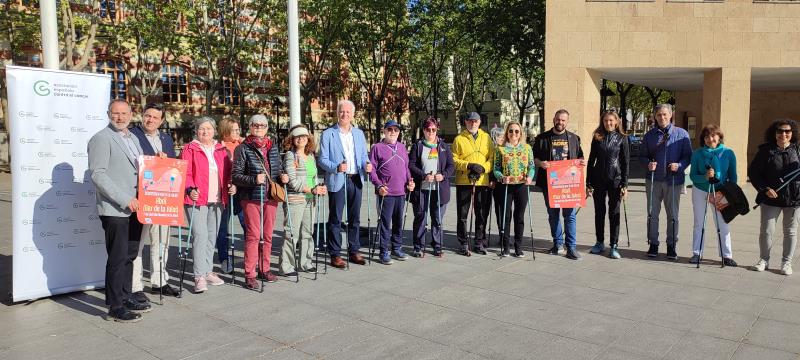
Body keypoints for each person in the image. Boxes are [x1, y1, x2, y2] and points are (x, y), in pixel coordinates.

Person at [88, 99, 150, 322]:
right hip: (116, 209)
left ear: (131, 114)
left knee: (130, 255)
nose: (120, 117)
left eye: (124, 113)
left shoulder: (133, 137)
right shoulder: (101, 139)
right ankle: (115, 306)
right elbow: (98, 174)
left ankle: (125, 297)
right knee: (117, 257)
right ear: (108, 114)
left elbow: (140, 169)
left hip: (138, 207)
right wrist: (125, 200)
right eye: (116, 113)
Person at [232, 114, 288, 290]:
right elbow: (236, 175)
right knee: (254, 235)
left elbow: (278, 168)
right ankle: (250, 273)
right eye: (255, 125)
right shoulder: (242, 148)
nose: (259, 128)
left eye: (262, 125)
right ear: (249, 127)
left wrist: (282, 176)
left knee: (268, 235)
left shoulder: (272, 147)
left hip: (270, 197)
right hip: (252, 197)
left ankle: (265, 268)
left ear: (267, 128)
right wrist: (254, 179)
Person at [129, 103, 179, 299]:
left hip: (163, 200)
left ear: (162, 121)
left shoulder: (166, 138)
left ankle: (160, 281)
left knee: (161, 242)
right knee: (138, 244)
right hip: (142, 198)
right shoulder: (132, 135)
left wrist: (165, 162)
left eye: (155, 117)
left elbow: (174, 167)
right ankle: (135, 286)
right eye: (147, 116)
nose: (150, 120)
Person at [181, 117, 236, 293]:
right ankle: (198, 276)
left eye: (209, 129)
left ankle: (207, 270)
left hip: (218, 199)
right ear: (196, 131)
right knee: (200, 235)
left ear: (214, 131)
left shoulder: (221, 149)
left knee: (211, 236)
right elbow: (186, 172)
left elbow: (228, 172)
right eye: (201, 129)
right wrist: (190, 188)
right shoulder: (190, 148)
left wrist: (231, 184)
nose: (205, 132)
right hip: (197, 199)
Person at [318, 100, 373, 268]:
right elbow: (322, 159)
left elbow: (363, 156)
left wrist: (367, 164)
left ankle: (354, 250)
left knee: (355, 218)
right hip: (338, 179)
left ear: (353, 114)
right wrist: (335, 167)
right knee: (335, 218)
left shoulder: (358, 134)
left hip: (355, 178)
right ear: (337, 113)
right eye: (342, 111)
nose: (345, 114)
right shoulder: (328, 134)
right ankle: (335, 254)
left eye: (348, 112)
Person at [638, 104, 692, 260]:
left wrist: (680, 165)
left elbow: (688, 156)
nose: (662, 117)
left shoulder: (682, 134)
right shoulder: (649, 136)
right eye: (659, 115)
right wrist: (648, 164)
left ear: (670, 115)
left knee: (673, 215)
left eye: (665, 114)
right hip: (653, 180)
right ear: (655, 116)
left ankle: (671, 245)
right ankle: (653, 243)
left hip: (673, 180)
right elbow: (642, 156)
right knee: (652, 214)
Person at [749, 119, 800, 276]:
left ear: (793, 133)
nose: (783, 134)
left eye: (787, 131)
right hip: (771, 199)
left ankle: (786, 263)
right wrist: (765, 189)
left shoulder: (798, 151)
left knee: (791, 232)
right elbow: (754, 173)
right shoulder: (766, 151)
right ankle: (764, 259)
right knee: (766, 231)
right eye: (780, 131)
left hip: (794, 199)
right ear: (774, 133)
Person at [533, 109, 586, 260]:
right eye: (558, 119)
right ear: (553, 119)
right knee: (553, 215)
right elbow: (533, 157)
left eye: (563, 120)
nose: (560, 122)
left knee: (570, 216)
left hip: (569, 184)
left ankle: (571, 247)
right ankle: (558, 244)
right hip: (549, 184)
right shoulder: (542, 138)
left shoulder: (574, 138)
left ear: (567, 122)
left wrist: (582, 162)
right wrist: (540, 163)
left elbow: (580, 156)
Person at [280, 125, 326, 276]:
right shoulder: (290, 156)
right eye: (297, 137)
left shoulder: (311, 156)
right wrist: (310, 189)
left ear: (308, 139)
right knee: (291, 234)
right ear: (292, 140)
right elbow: (292, 181)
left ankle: (305, 262)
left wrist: (319, 187)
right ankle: (286, 266)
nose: (301, 139)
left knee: (307, 232)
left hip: (310, 199)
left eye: (304, 136)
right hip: (295, 199)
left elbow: (313, 177)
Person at [688, 124, 737, 266]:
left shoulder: (728, 153)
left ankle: (726, 255)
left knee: (723, 223)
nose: (710, 139)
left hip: (720, 192)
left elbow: (733, 176)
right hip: (700, 190)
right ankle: (697, 253)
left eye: (713, 135)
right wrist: (704, 177)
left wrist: (730, 193)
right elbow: (693, 176)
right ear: (703, 139)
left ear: (719, 137)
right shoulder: (697, 154)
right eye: (707, 136)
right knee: (699, 222)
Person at [368, 120, 415, 264]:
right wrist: (379, 185)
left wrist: (410, 181)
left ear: (399, 132)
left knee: (398, 222)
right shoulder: (377, 147)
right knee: (384, 223)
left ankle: (397, 248)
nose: (393, 132)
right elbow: (372, 170)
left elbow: (406, 168)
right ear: (384, 131)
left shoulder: (401, 147)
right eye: (390, 129)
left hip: (401, 192)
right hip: (386, 193)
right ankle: (383, 252)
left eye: (396, 130)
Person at [587, 110, 630, 259]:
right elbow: (591, 161)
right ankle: (600, 242)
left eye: (611, 120)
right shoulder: (597, 137)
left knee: (614, 213)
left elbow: (625, 162)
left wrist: (625, 183)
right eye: (605, 120)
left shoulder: (622, 138)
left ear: (616, 122)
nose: (608, 123)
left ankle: (614, 245)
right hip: (599, 180)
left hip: (615, 181)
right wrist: (588, 182)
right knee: (599, 212)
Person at [409, 117, 455, 258]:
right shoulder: (418, 146)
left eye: (433, 129)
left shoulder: (443, 146)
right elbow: (411, 165)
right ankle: (418, 246)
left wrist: (444, 175)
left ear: (437, 130)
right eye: (428, 129)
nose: (431, 132)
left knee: (437, 219)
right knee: (420, 217)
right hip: (422, 188)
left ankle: (437, 245)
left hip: (439, 188)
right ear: (423, 130)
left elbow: (451, 166)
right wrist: (423, 175)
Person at [452, 112, 494, 256]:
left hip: (482, 181)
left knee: (481, 213)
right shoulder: (459, 139)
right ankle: (463, 242)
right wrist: (468, 165)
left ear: (479, 122)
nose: (473, 124)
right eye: (470, 121)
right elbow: (454, 160)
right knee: (463, 214)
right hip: (464, 180)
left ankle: (479, 241)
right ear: (466, 122)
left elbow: (492, 158)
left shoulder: (486, 137)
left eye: (475, 121)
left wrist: (484, 168)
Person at [492, 120, 535, 257]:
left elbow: (532, 166)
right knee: (506, 216)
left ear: (520, 133)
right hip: (506, 186)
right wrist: (501, 177)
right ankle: (505, 247)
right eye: (510, 131)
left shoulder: (527, 148)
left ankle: (518, 247)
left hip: (522, 186)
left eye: (516, 131)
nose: (513, 133)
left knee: (519, 216)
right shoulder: (500, 149)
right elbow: (496, 168)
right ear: (507, 133)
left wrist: (530, 177)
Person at [216, 116, 245, 275]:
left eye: (237, 129)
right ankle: (224, 258)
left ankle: (252, 255)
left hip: (241, 191)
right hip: (225, 191)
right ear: (225, 131)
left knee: (247, 224)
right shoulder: (218, 147)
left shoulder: (243, 144)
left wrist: (243, 139)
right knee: (223, 228)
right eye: (233, 130)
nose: (237, 132)